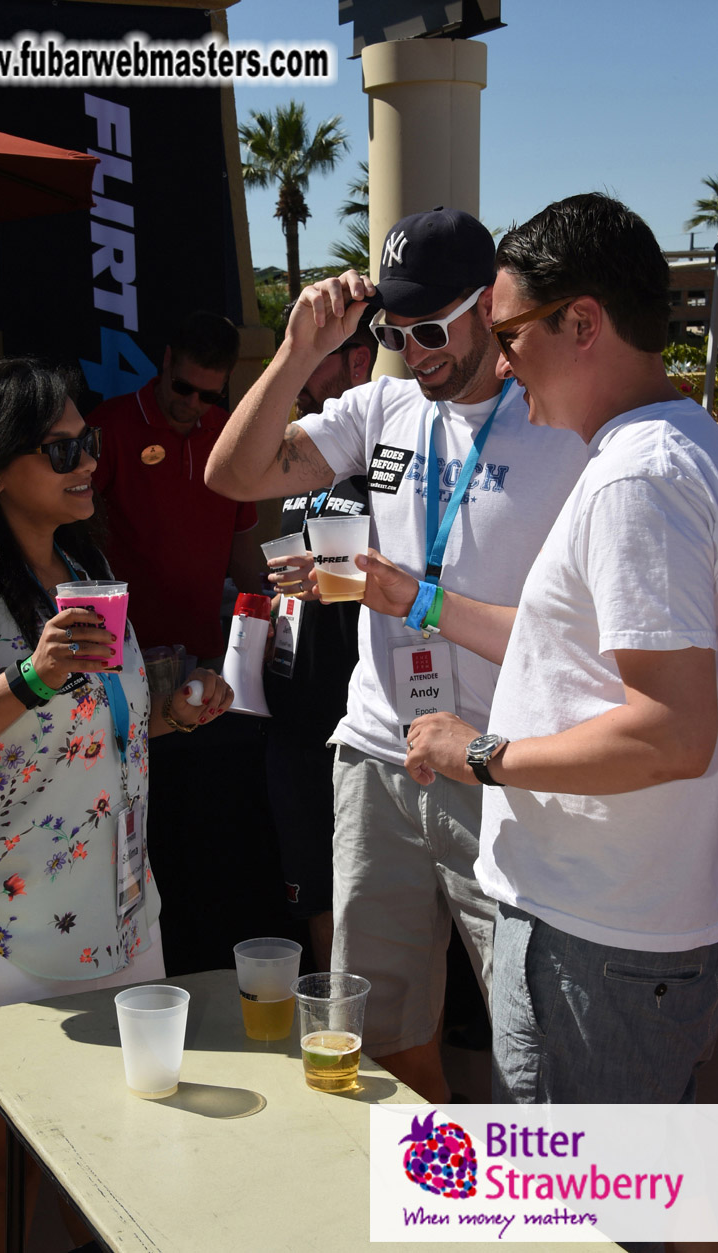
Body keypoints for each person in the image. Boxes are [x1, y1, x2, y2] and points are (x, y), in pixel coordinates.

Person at [205, 207, 587, 1100]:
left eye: (428, 329)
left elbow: (577, 627)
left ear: (490, 304)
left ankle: (539, 1219)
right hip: (378, 754)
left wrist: (414, 594)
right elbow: (234, 475)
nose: (412, 353)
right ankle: (437, 1201)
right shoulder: (382, 407)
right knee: (373, 1031)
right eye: (391, 331)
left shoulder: (561, 425)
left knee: (535, 1036)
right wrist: (299, 352)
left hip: (504, 763)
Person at [356, 192, 718, 1116]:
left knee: (582, 1211)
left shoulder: (638, 477)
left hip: (599, 934)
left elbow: (674, 732)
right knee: (644, 1188)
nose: (504, 359)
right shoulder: (677, 447)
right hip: (623, 926)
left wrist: (481, 756)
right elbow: (569, 651)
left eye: (512, 331)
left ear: (583, 322)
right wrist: (420, 599)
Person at [0, 359, 232, 1252]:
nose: (87, 461)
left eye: (91, 443)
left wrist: (173, 709)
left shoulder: (85, 567)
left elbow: (100, 726)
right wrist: (30, 678)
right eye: (63, 447)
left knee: (109, 1157)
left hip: (113, 913)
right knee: (5, 1168)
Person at [262, 309, 377, 969]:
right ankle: (337, 1025)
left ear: (358, 358)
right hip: (291, 720)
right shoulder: (299, 455)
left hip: (355, 725)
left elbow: (418, 581)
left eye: (318, 354)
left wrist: (331, 577)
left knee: (364, 899)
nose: (302, 369)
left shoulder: (385, 455)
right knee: (314, 898)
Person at [89, 310, 262, 663]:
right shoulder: (110, 426)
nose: (193, 403)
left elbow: (242, 540)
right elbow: (68, 533)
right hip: (122, 650)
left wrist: (261, 618)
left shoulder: (231, 436)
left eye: (209, 396)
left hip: (205, 650)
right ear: (167, 360)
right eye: (183, 387)